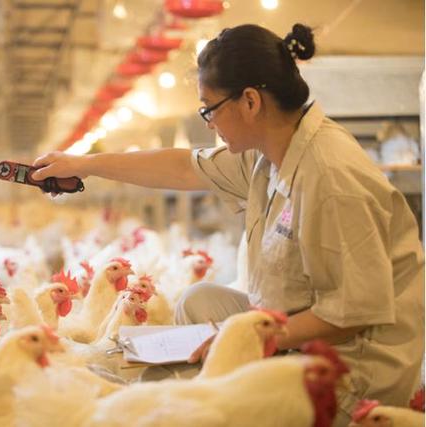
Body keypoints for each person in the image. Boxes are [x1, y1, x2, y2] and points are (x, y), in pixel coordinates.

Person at [31, 23, 425, 426]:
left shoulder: (330, 179)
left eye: (209, 109)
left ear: (250, 102)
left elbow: (349, 317)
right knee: (197, 302)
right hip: (299, 330)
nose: (208, 123)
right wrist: (85, 165)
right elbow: (185, 167)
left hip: (345, 370)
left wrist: (239, 339)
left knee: (181, 401)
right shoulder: (269, 152)